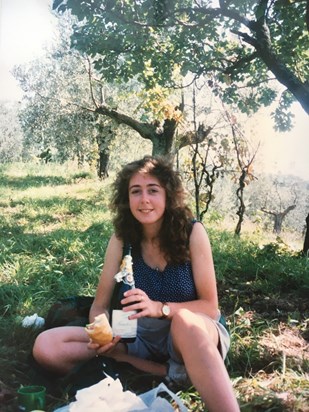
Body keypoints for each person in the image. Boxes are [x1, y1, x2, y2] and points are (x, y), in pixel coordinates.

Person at [33, 155, 240, 412]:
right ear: (126, 198)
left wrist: (159, 308)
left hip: (189, 336)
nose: (144, 200)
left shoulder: (193, 233)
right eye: (135, 191)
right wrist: (104, 332)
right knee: (47, 346)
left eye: (153, 190)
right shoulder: (122, 239)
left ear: (168, 195)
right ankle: (163, 371)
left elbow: (211, 308)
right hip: (136, 337)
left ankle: (181, 376)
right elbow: (99, 306)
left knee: (185, 321)